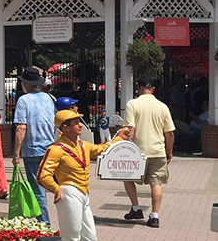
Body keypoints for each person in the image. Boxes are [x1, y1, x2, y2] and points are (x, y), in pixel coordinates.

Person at [38, 110, 129, 241]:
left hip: (84, 193)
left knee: (90, 236)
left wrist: (119, 137)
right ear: (65, 127)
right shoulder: (56, 149)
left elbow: (101, 149)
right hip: (69, 192)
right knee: (72, 236)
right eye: (76, 123)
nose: (80, 125)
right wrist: (56, 189)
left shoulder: (83, 145)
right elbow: (43, 175)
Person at [121, 78, 175, 228]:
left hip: (137, 151)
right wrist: (169, 152)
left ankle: (136, 208)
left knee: (127, 177)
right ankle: (155, 216)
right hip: (158, 151)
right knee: (156, 183)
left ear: (139, 88)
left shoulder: (132, 104)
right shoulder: (163, 107)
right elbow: (169, 133)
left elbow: (129, 130)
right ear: (153, 89)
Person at [12, 67, 56, 225]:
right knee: (50, 184)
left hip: (32, 149)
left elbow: (21, 127)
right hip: (50, 148)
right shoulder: (49, 98)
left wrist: (16, 153)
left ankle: (44, 224)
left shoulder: (23, 100)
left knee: (38, 189)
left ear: (26, 84)